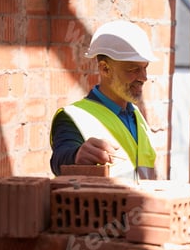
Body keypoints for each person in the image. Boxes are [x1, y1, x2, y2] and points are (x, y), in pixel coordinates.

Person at [50, 20, 158, 180]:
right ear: (105, 68)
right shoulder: (74, 116)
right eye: (133, 69)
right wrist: (76, 155)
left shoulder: (136, 116)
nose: (144, 77)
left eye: (145, 67)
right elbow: (60, 158)